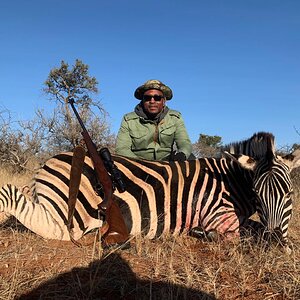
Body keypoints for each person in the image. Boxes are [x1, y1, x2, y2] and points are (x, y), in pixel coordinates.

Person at [115, 79, 193, 161]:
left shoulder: (175, 117)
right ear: (142, 100)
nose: (152, 101)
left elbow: (184, 143)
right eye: (147, 98)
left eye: (157, 98)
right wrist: (142, 165)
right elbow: (122, 149)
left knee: (192, 159)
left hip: (167, 163)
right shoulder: (128, 119)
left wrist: (182, 154)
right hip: (137, 163)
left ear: (164, 101)